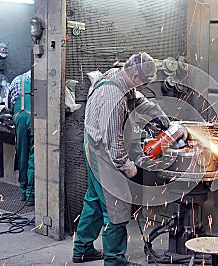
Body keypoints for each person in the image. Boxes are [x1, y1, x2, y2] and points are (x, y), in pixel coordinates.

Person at [72, 52, 169, 265]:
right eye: (144, 82)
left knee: (95, 200)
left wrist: (161, 118)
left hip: (94, 146)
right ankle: (115, 260)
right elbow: (113, 142)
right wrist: (127, 166)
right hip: (104, 153)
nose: (144, 86)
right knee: (117, 206)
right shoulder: (113, 97)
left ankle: (82, 249)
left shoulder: (119, 77)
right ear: (135, 77)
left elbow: (140, 102)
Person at [7, 70, 34, 206]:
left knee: (22, 155)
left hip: (19, 118)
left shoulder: (17, 80)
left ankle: (23, 192)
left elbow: (10, 105)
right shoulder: (41, 78)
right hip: (35, 119)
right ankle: (31, 194)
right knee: (34, 155)